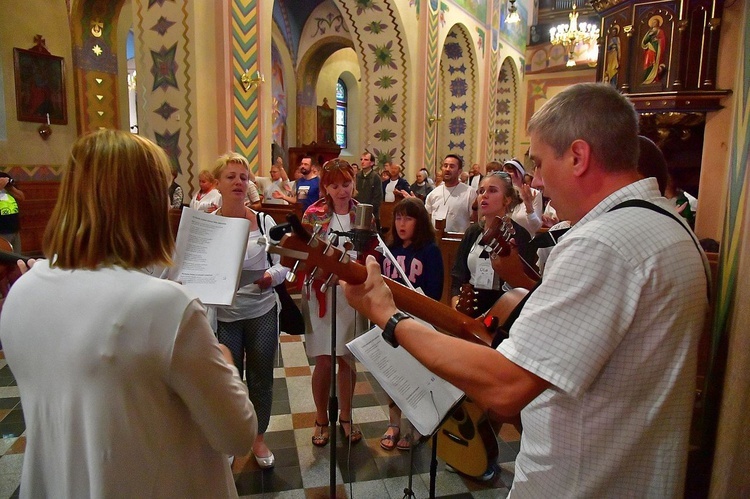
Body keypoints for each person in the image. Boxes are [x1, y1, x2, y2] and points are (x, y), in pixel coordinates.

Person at [341, 83, 709, 497]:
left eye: (538, 163)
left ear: (578, 156)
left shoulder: (602, 242)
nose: (536, 181)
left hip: (583, 482)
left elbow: (505, 389)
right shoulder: (671, 225)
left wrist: (389, 316)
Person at [0, 130, 257, 497]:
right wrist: (223, 358)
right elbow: (237, 433)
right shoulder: (163, 305)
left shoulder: (22, 292)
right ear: (144, 203)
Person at [211, 152, 288, 469]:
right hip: (224, 314)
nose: (238, 182)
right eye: (230, 176)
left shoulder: (265, 221)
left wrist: (271, 277)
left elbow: (285, 264)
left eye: (243, 177)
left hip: (261, 310)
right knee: (228, 380)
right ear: (218, 183)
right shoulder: (207, 222)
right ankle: (231, 438)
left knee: (261, 378)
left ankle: (257, 438)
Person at [301, 158, 374, 447]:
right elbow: (303, 254)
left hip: (350, 295)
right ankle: (321, 417)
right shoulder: (313, 213)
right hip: (320, 292)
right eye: (335, 185)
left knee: (346, 358)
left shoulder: (363, 213)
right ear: (326, 188)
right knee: (323, 358)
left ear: (353, 183)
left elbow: (372, 253)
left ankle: (346, 416)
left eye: (346, 183)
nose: (342, 190)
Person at [378, 197, 443, 451]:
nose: (401, 223)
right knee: (392, 374)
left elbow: (434, 292)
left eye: (408, 218)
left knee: (415, 375)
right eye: (398, 218)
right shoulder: (389, 249)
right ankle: (393, 423)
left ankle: (416, 425)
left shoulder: (429, 251)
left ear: (420, 222)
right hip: (389, 320)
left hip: (416, 323)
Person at [450, 171, 529, 314]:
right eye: (481, 191)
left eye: (492, 191)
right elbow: (458, 276)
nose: (484, 195)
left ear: (507, 199)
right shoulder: (472, 232)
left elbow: (520, 287)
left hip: (503, 310)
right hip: (469, 305)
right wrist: (456, 305)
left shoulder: (519, 235)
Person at [424, 154, 477, 233]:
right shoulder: (433, 193)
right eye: (445, 166)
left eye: (452, 166)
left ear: (459, 171)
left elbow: (475, 220)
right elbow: (426, 218)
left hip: (459, 241)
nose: (447, 169)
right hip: (436, 240)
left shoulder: (469, 192)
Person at [503, 158, 543, 239]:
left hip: (527, 242)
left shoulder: (534, 194)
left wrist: (528, 206)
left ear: (520, 174)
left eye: (510, 171)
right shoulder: (503, 195)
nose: (506, 174)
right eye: (504, 172)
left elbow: (536, 227)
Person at [354, 151, 383, 227]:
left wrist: (369, 212)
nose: (362, 162)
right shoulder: (357, 176)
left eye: (366, 160)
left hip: (371, 213)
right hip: (357, 211)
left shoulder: (376, 177)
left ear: (372, 163)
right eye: (361, 159)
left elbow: (378, 198)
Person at [0, 172, 26, 252]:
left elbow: (21, 197)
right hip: (1, 230)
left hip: (13, 226)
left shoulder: (3, 176)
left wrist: (9, 187)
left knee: (17, 257)